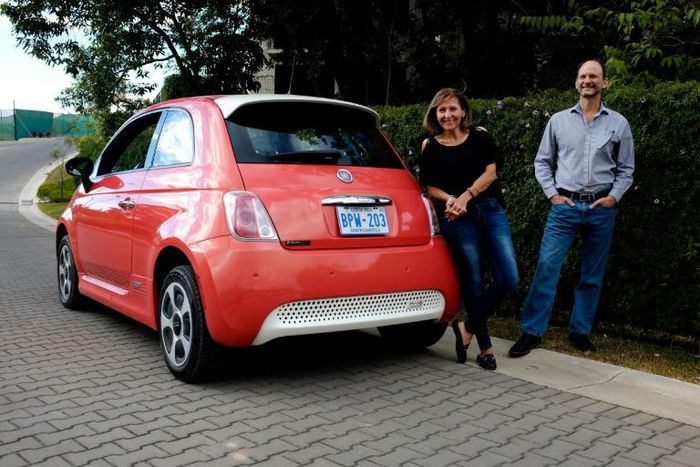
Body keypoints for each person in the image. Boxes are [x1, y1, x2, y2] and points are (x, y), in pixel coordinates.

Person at [509, 59, 635, 358]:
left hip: (600, 208)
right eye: (582, 76)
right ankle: (531, 332)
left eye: (593, 76)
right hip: (564, 207)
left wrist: (614, 197)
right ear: (576, 82)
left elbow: (626, 169)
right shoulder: (558, 121)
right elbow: (542, 162)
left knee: (591, 274)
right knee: (547, 268)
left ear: (605, 83)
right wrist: (552, 194)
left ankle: (579, 332)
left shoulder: (619, 123)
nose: (587, 80)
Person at [420, 88, 519, 370]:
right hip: (456, 219)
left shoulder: (480, 135)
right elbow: (430, 187)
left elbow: (491, 172)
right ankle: (485, 348)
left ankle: (466, 326)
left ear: (463, 111)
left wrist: (465, 196)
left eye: (452, 109)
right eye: (442, 110)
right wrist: (451, 200)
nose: (447, 115)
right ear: (435, 114)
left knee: (509, 277)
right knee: (473, 283)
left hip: (490, 210)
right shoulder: (430, 145)